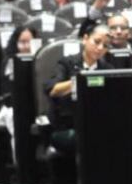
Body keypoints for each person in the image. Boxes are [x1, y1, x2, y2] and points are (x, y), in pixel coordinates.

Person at [45, 20, 112, 152]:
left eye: (105, 45)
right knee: (89, 139)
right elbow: (53, 90)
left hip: (97, 125)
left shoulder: (107, 69)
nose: (100, 48)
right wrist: (82, 81)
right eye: (97, 42)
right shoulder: (66, 63)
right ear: (85, 39)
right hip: (68, 126)